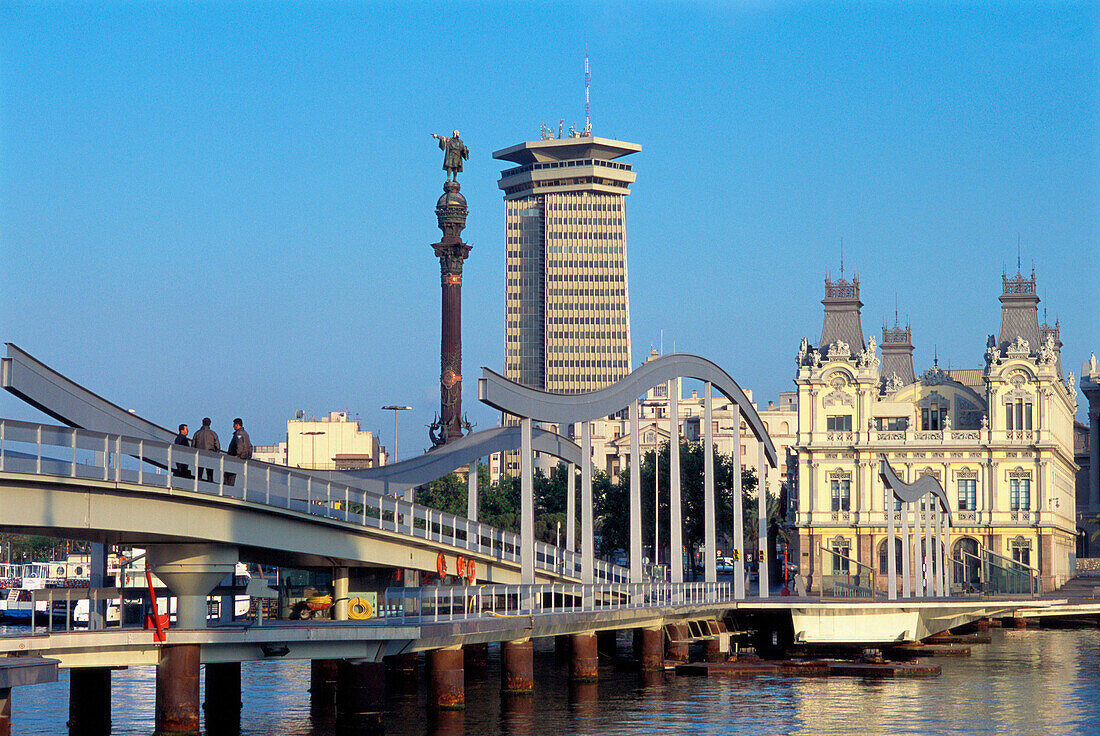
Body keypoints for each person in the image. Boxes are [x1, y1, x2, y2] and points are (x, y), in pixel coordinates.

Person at [224, 418, 252, 486]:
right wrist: (249, 456)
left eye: (234, 424)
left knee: (229, 474)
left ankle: (228, 488)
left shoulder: (239, 434)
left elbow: (240, 445)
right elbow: (250, 446)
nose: (233, 426)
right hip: (244, 457)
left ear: (237, 425)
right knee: (232, 474)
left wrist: (238, 455)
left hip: (236, 457)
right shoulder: (245, 433)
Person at [191, 417, 220, 483]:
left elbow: (192, 446)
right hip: (210, 455)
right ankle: (210, 488)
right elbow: (218, 447)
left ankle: (197, 487)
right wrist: (214, 454)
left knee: (199, 475)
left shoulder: (197, 433)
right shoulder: (213, 434)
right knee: (210, 475)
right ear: (210, 424)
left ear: (202, 423)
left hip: (199, 456)